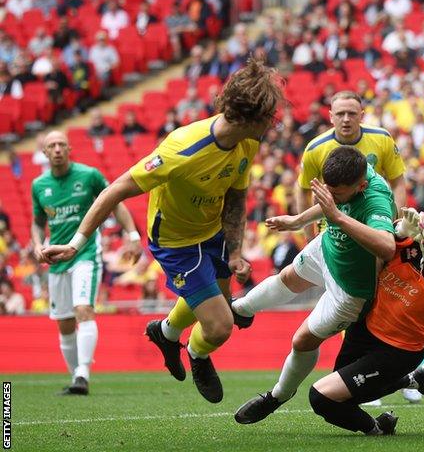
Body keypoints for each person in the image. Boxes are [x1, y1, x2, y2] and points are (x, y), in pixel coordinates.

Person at [40, 60, 284, 403]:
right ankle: (197, 355)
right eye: (268, 116)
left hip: (211, 231)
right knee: (220, 326)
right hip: (176, 242)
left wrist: (235, 252)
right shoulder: (181, 150)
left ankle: (166, 333)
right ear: (249, 117)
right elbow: (115, 190)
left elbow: (236, 195)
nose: (273, 124)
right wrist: (76, 243)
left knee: (222, 305)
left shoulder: (248, 142)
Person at [230, 147, 400, 423]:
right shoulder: (352, 170)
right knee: (288, 278)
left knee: (302, 340)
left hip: (350, 289)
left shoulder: (376, 198)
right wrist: (298, 221)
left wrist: (337, 216)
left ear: (362, 186)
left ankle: (278, 396)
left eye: (338, 194)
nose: (331, 198)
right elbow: (329, 202)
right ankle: (241, 310)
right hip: (329, 246)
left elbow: (388, 247)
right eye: (329, 191)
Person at [297, 193, 424, 435]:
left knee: (320, 397)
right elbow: (381, 242)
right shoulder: (410, 239)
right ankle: (413, 380)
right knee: (344, 398)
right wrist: (401, 229)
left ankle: (376, 427)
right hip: (364, 329)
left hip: (399, 349)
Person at [32, 130, 142, 396]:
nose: (57, 149)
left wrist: (133, 234)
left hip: (85, 253)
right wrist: (37, 245)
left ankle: (82, 373)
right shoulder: (38, 185)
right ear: (45, 153)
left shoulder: (89, 175)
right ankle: (76, 378)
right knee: (65, 323)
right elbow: (37, 223)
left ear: (69, 149)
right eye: (52, 145)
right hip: (56, 259)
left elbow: (114, 201)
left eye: (61, 144)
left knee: (83, 309)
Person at [295, 91, 407, 241]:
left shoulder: (383, 139)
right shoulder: (315, 149)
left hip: (372, 223)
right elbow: (304, 191)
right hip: (332, 230)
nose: (346, 119)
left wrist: (394, 223)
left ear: (361, 115)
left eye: (352, 114)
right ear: (331, 116)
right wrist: (309, 238)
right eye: (340, 114)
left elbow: (398, 183)